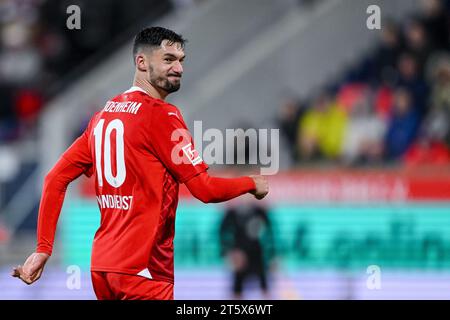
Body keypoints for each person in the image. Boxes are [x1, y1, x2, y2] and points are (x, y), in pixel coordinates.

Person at [11, 27, 269, 300]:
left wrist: (43, 247)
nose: (179, 68)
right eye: (168, 59)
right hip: (144, 270)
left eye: (181, 60)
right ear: (142, 62)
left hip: (103, 268)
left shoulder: (103, 116)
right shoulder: (162, 115)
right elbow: (206, 190)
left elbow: (55, 178)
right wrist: (252, 183)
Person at [219, 202, 275, 299]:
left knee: (264, 287)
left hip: (257, 254)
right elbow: (222, 233)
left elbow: (270, 233)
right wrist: (229, 253)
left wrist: (272, 256)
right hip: (239, 255)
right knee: (237, 288)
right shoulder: (232, 213)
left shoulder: (259, 211)